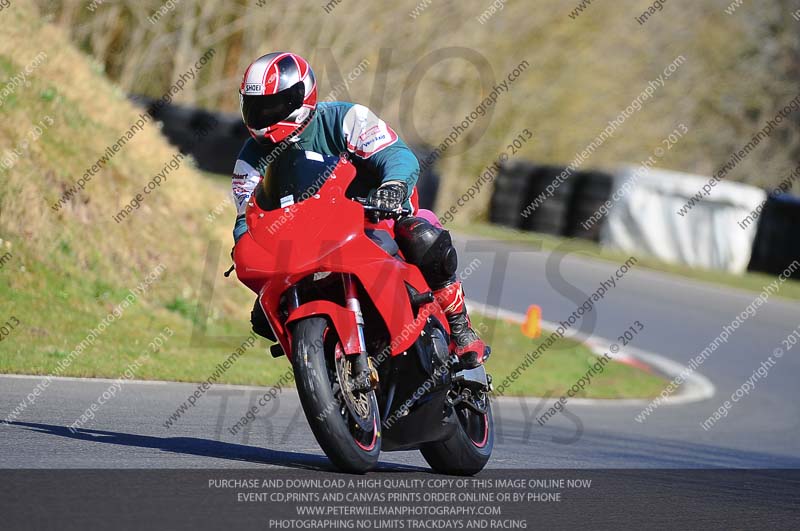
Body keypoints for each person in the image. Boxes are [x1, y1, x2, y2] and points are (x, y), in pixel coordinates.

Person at [231, 51, 488, 368]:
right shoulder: (249, 160)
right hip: (304, 242)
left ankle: (461, 329)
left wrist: (392, 188)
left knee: (422, 237)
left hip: (374, 219)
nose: (263, 116)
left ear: (301, 97)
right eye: (255, 108)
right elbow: (248, 217)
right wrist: (247, 247)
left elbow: (397, 156)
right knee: (264, 314)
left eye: (272, 106)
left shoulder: (346, 118)